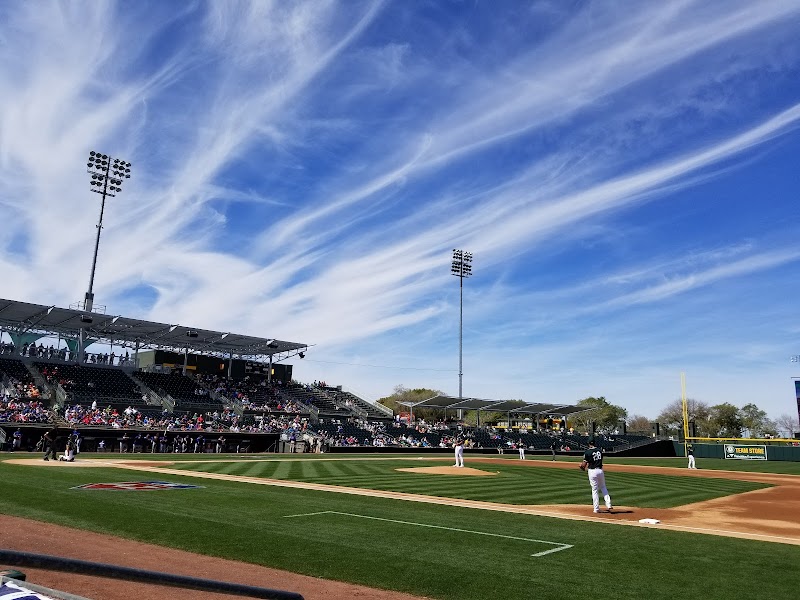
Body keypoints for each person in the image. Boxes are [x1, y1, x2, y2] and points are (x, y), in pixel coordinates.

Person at [580, 439, 613, 514]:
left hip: (592, 471)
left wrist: (581, 467)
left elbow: (583, 466)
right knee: (603, 487)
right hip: (600, 470)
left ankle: (596, 509)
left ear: (588, 443)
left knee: (594, 490)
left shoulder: (587, 452)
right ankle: (608, 504)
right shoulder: (600, 451)